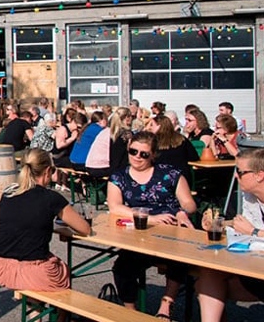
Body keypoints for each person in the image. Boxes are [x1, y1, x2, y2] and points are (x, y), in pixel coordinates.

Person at [107, 131, 197, 317]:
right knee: (122, 267)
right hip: (139, 232)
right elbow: (115, 206)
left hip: (170, 228)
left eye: (144, 154)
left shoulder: (170, 173)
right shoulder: (119, 176)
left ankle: (166, 304)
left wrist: (182, 212)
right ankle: (130, 312)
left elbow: (189, 203)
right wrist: (148, 217)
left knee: (178, 257)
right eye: (133, 151)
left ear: (154, 154)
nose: (137, 157)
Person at [0, 149, 90, 297]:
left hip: (1, 268)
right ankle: (60, 318)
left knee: (37, 267)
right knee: (64, 273)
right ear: (48, 171)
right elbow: (85, 229)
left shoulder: (8, 192)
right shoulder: (51, 198)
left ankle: (35, 316)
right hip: (35, 272)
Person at [195, 148, 264, 321]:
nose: (235, 177)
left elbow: (249, 230)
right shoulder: (248, 197)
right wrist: (216, 225)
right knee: (208, 276)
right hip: (253, 268)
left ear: (259, 175)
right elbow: (239, 225)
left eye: (240, 173)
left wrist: (253, 232)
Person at [86, 108, 130, 179]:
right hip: (103, 167)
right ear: (127, 118)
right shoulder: (123, 133)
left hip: (91, 166)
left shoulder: (107, 131)